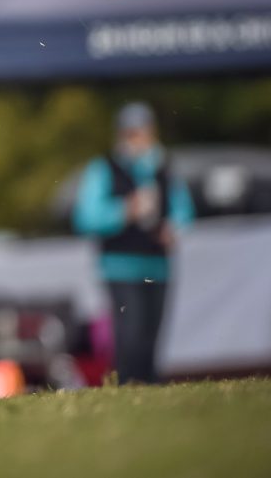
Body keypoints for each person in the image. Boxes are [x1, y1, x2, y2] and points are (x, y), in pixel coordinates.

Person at [73, 102, 193, 385]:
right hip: (120, 267)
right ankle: (128, 383)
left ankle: (148, 385)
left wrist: (173, 229)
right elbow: (85, 217)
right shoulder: (104, 169)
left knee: (152, 334)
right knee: (130, 335)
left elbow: (183, 210)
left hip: (158, 266)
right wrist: (124, 211)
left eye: (141, 132)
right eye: (130, 133)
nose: (136, 139)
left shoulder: (163, 168)